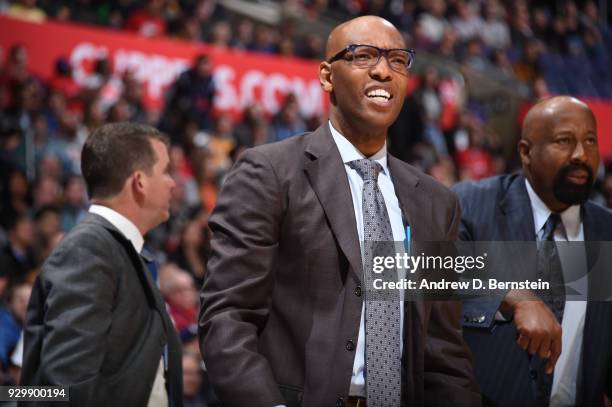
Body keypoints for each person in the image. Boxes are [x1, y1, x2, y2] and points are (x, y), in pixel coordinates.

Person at [199, 16, 480, 407]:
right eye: (363, 56)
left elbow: (443, 351)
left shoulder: (437, 202)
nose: (383, 70)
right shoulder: (269, 172)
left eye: (398, 60)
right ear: (327, 76)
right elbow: (228, 315)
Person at [454, 96, 612, 406]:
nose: (581, 154)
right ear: (526, 152)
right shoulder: (473, 204)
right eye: (564, 141)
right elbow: (407, 273)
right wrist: (508, 295)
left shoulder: (605, 232)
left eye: (590, 141)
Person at [21, 122, 183, 407]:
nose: (173, 182)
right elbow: (65, 387)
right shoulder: (89, 249)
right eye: (166, 170)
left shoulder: (116, 248)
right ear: (139, 182)